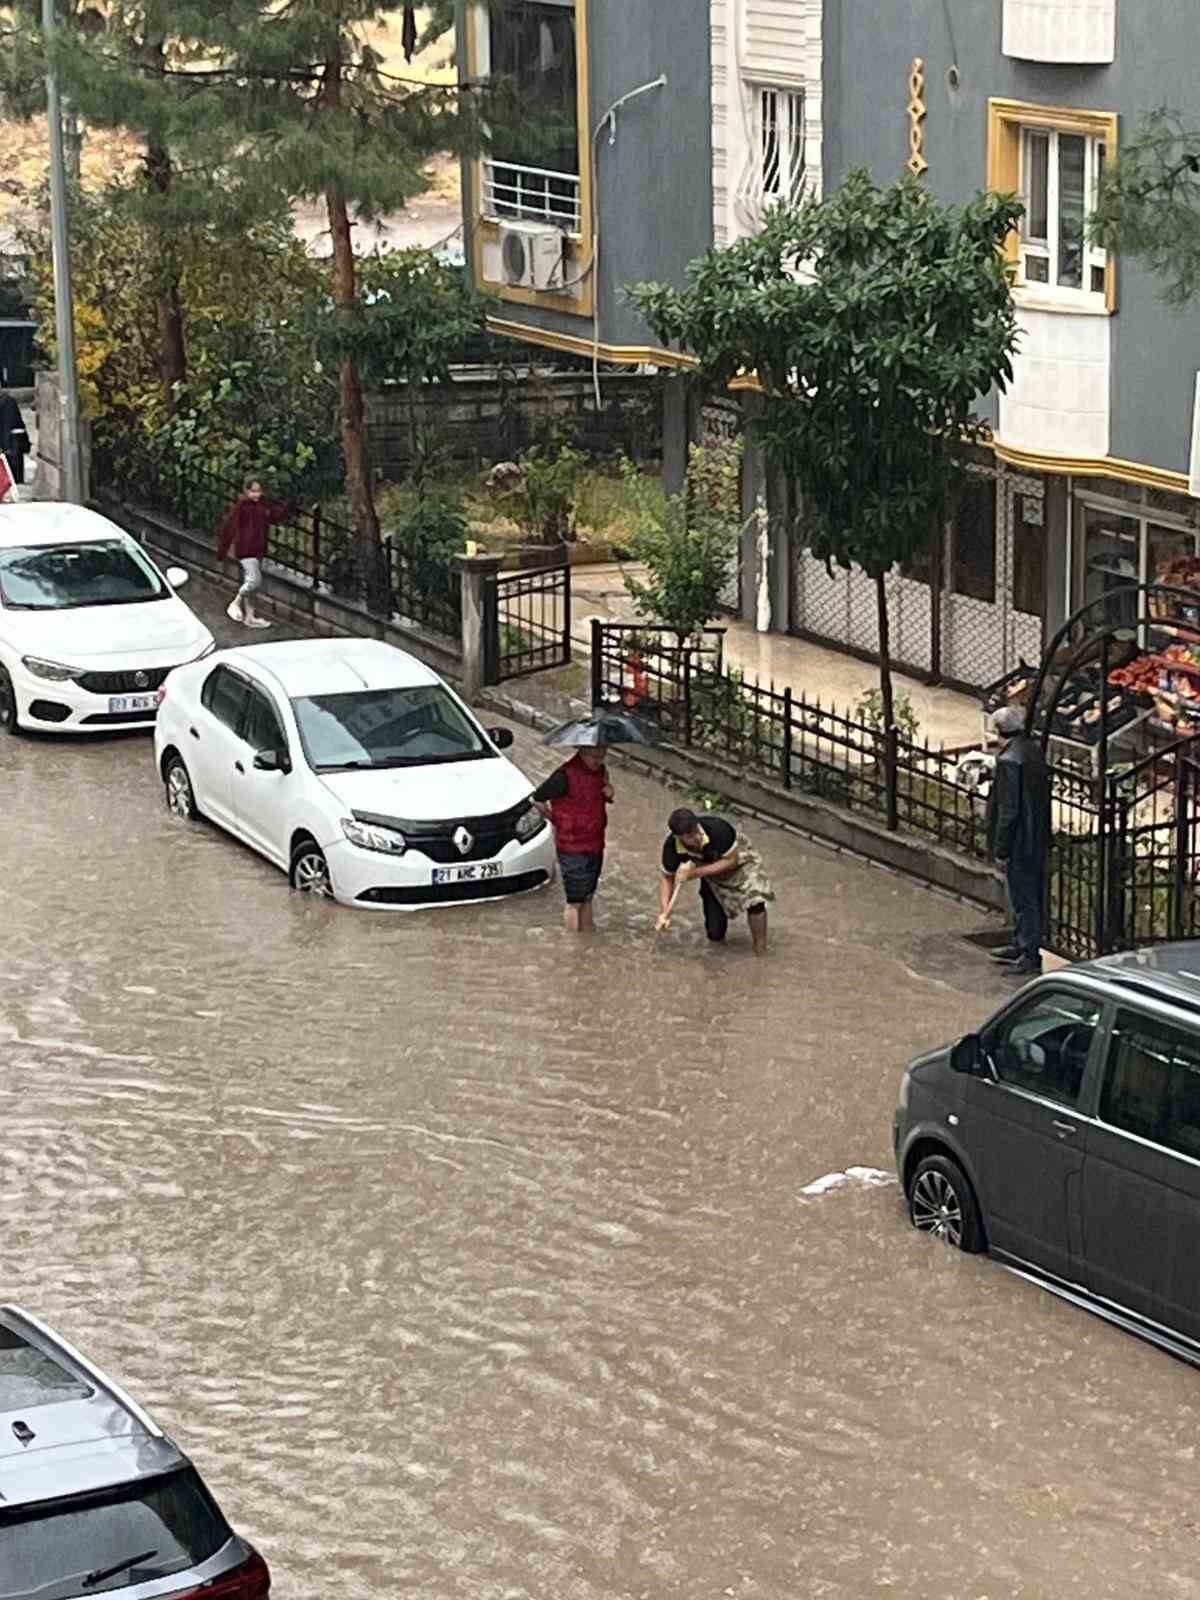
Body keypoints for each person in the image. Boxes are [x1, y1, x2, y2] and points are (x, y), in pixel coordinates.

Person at [986, 705, 1051, 976]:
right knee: (1030, 894)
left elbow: (1009, 809)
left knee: (1023, 897)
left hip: (1021, 842)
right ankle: (1022, 941)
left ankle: (1028, 952)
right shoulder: (1032, 751)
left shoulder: (1009, 761)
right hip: (1037, 836)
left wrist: (1001, 846)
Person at [658, 806, 774, 955]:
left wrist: (695, 873)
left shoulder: (718, 829)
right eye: (689, 836)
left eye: (696, 831)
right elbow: (667, 878)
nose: (696, 837)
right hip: (711, 875)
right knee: (715, 933)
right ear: (678, 837)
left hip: (739, 863)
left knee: (756, 901)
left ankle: (760, 951)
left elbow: (732, 861)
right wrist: (664, 912)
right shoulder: (671, 848)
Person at [532, 744, 613, 932]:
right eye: (595, 757)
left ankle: (587, 937)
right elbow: (537, 798)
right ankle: (572, 945)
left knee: (588, 896)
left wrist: (609, 791)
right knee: (575, 899)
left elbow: (602, 793)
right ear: (582, 753)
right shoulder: (563, 776)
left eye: (602, 756)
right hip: (571, 845)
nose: (599, 761)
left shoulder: (601, 772)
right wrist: (554, 819)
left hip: (595, 842)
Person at [216, 477, 295, 629]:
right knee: (254, 581)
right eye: (253, 491)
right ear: (246, 491)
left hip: (258, 549)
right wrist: (222, 551)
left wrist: (289, 506)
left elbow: (274, 517)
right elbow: (229, 527)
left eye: (258, 491)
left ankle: (250, 617)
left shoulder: (262, 506)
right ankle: (235, 602)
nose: (256, 494)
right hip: (245, 549)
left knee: (252, 585)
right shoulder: (242, 506)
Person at [0, 389, 30, 488]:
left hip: (11, 442)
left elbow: (9, 423)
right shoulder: (9, 401)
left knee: (12, 472)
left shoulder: (7, 402)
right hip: (13, 442)